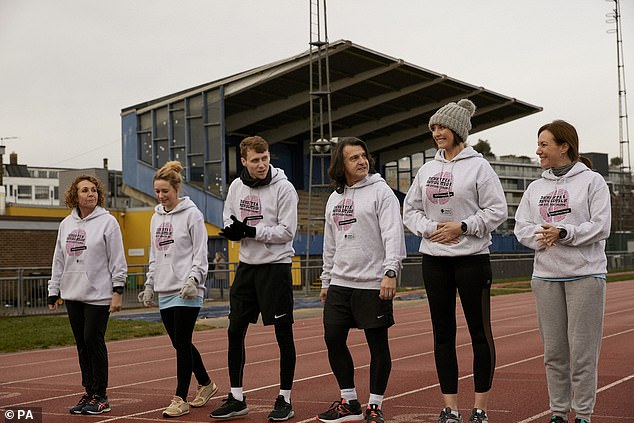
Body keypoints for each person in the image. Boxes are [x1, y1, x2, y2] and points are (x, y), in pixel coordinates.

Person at [403, 99, 507, 423]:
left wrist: (463, 226)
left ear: (458, 130)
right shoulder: (426, 169)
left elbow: (497, 211)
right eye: (433, 127)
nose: (436, 132)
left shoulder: (479, 167)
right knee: (443, 334)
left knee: (479, 333)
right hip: (434, 260)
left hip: (472, 259)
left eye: (442, 126)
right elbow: (410, 211)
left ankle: (480, 409)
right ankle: (450, 408)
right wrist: (432, 229)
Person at [514, 120, 610, 423]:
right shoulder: (535, 187)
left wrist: (564, 233)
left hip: (585, 275)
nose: (538, 150)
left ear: (564, 146)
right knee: (554, 354)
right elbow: (522, 227)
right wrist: (544, 236)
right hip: (545, 277)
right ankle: (558, 413)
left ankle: (582, 415)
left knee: (582, 354)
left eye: (544, 144)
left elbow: (600, 225)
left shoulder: (592, 182)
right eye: (539, 144)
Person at [316, 137, 406, 423]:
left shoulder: (382, 193)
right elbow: (330, 243)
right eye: (354, 158)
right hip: (340, 282)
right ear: (341, 165)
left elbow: (394, 235)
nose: (362, 161)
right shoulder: (334, 198)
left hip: (372, 282)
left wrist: (390, 272)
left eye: (364, 155)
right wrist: (326, 279)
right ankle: (350, 401)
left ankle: (375, 405)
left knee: (377, 345)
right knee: (332, 338)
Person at [210, 135, 298, 421]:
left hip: (276, 267)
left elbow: (286, 232)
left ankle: (285, 399)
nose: (261, 165)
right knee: (234, 331)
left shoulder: (284, 188)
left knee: (283, 334)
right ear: (244, 161)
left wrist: (251, 232)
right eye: (255, 161)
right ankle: (236, 396)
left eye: (265, 159)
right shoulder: (236, 186)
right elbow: (228, 215)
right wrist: (231, 229)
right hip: (247, 267)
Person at [138, 161, 218, 418]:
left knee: (182, 342)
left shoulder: (192, 215)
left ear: (176, 189)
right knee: (178, 342)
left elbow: (200, 251)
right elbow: (155, 253)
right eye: (157, 192)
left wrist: (194, 279)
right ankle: (206, 383)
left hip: (187, 289)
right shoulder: (155, 218)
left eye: (165, 191)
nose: (161, 196)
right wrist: (150, 283)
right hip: (164, 288)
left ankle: (180, 397)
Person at [47, 175, 127, 415]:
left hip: (98, 294)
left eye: (94, 190)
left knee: (93, 339)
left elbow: (117, 259)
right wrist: (54, 290)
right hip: (72, 293)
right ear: (75, 195)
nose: (91, 194)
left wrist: (118, 291)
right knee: (82, 344)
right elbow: (59, 259)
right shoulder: (66, 224)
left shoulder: (108, 222)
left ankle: (101, 396)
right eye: (85, 190)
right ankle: (89, 391)